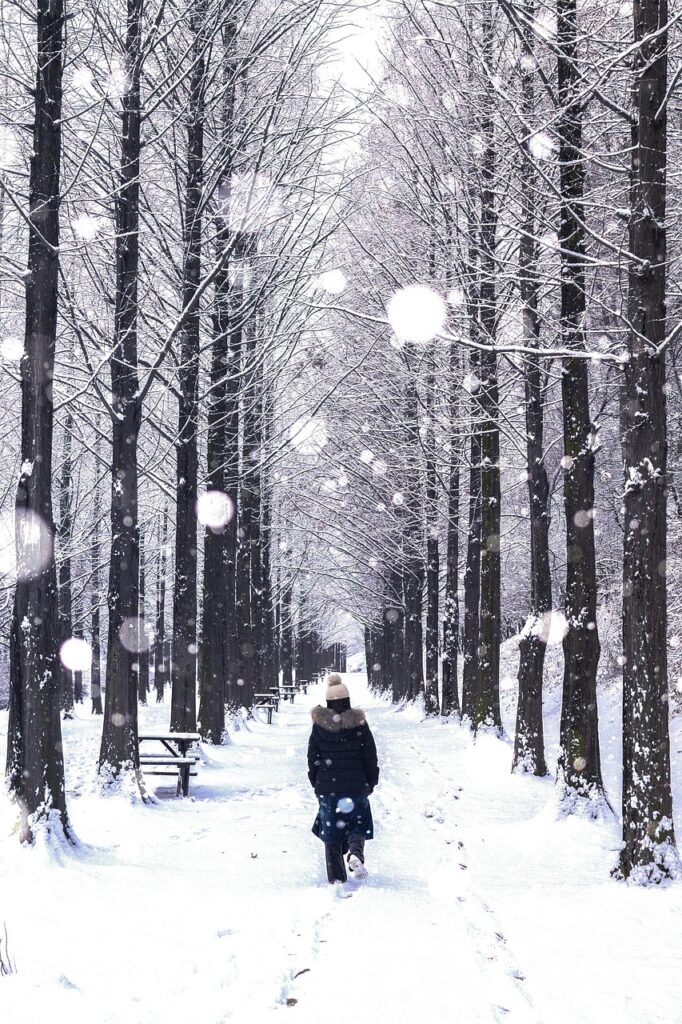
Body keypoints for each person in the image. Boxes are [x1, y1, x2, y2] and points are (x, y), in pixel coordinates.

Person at [307, 673, 379, 884]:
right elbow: (370, 755)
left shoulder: (319, 726)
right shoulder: (359, 724)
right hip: (356, 786)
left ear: (328, 702)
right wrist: (371, 781)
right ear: (347, 701)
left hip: (328, 788)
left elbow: (313, 757)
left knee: (331, 832)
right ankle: (355, 853)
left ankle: (337, 879)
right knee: (357, 823)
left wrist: (316, 781)